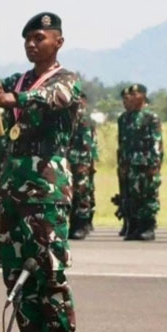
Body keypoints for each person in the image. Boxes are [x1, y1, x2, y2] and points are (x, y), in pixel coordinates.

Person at [0, 12, 80, 332]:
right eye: (27, 38)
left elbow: (50, 98)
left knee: (48, 271)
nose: (31, 43)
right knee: (16, 273)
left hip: (46, 192)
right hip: (13, 192)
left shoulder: (66, 80)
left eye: (39, 37)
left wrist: (13, 98)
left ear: (58, 41)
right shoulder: (15, 81)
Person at [119, 83, 163, 241]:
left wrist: (155, 163)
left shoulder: (151, 117)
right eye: (130, 94)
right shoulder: (126, 118)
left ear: (143, 95)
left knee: (148, 195)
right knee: (132, 195)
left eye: (135, 94)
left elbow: (157, 141)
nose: (131, 97)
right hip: (130, 163)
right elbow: (122, 142)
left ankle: (148, 227)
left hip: (146, 163)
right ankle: (135, 227)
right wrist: (122, 163)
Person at [67, 92, 98, 240]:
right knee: (69, 193)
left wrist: (86, 163)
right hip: (66, 160)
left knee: (81, 192)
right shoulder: (65, 115)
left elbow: (87, 144)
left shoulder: (83, 118)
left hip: (80, 161)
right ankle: (72, 224)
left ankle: (81, 224)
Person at [115, 86, 133, 237]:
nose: (125, 102)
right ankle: (129, 224)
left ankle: (144, 226)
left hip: (142, 164)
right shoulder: (123, 119)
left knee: (143, 195)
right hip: (125, 163)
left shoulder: (149, 117)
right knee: (126, 195)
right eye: (124, 99)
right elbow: (120, 143)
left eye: (128, 98)